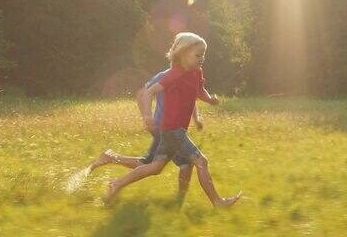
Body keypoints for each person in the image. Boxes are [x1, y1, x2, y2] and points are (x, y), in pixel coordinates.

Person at [102, 32, 241, 208]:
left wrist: (210, 100)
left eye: (203, 55)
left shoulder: (196, 72)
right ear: (183, 54)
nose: (202, 59)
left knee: (156, 167)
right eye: (198, 55)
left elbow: (200, 92)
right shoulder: (175, 74)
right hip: (172, 129)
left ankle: (117, 184)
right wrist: (147, 115)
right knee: (201, 161)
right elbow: (149, 92)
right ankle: (217, 202)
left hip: (175, 131)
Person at [89, 67, 216, 200]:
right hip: (163, 128)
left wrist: (196, 118)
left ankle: (178, 203)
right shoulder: (166, 75)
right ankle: (112, 162)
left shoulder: (188, 74)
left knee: (181, 164)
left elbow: (189, 97)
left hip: (175, 129)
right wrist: (147, 117)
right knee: (154, 165)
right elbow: (142, 93)